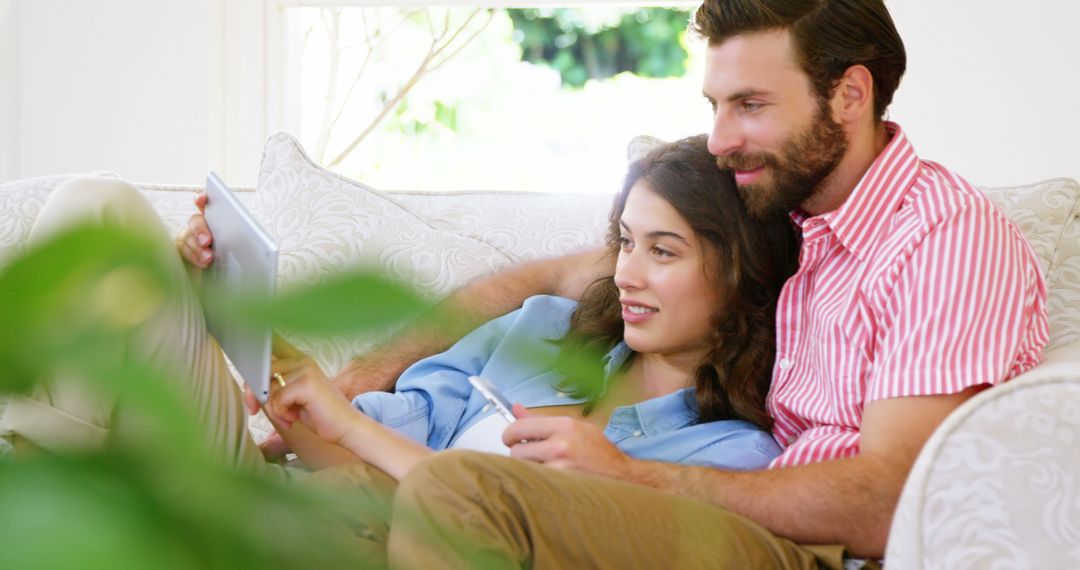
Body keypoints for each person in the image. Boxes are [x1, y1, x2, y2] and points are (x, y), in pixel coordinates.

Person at [177, 0, 1049, 567]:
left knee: (450, 490)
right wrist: (344, 377)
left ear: (850, 95)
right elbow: (565, 273)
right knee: (338, 498)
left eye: (750, 105)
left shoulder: (941, 239)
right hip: (711, 509)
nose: (719, 139)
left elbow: (894, 496)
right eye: (714, 106)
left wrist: (634, 475)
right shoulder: (787, 216)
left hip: (800, 546)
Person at [3, 136, 798, 563]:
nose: (626, 273)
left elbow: (492, 527)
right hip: (276, 501)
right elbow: (339, 461)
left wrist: (348, 426)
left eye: (664, 251)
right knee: (99, 205)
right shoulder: (547, 331)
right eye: (624, 243)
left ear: (738, 272)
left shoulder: (724, 451)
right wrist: (216, 305)